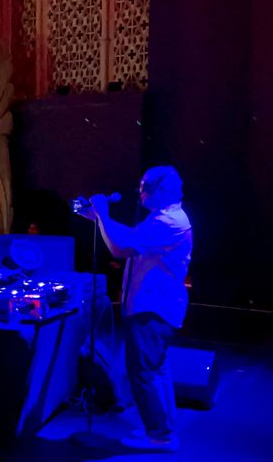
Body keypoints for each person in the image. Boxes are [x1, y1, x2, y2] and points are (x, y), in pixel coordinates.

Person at [80, 166, 192, 452]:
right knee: (156, 370)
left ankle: (160, 436)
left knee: (144, 372)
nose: (140, 193)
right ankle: (163, 430)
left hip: (152, 308)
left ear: (163, 190)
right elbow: (130, 237)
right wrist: (98, 218)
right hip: (156, 306)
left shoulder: (168, 222)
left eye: (145, 187)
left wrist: (104, 215)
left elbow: (120, 248)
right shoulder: (164, 217)